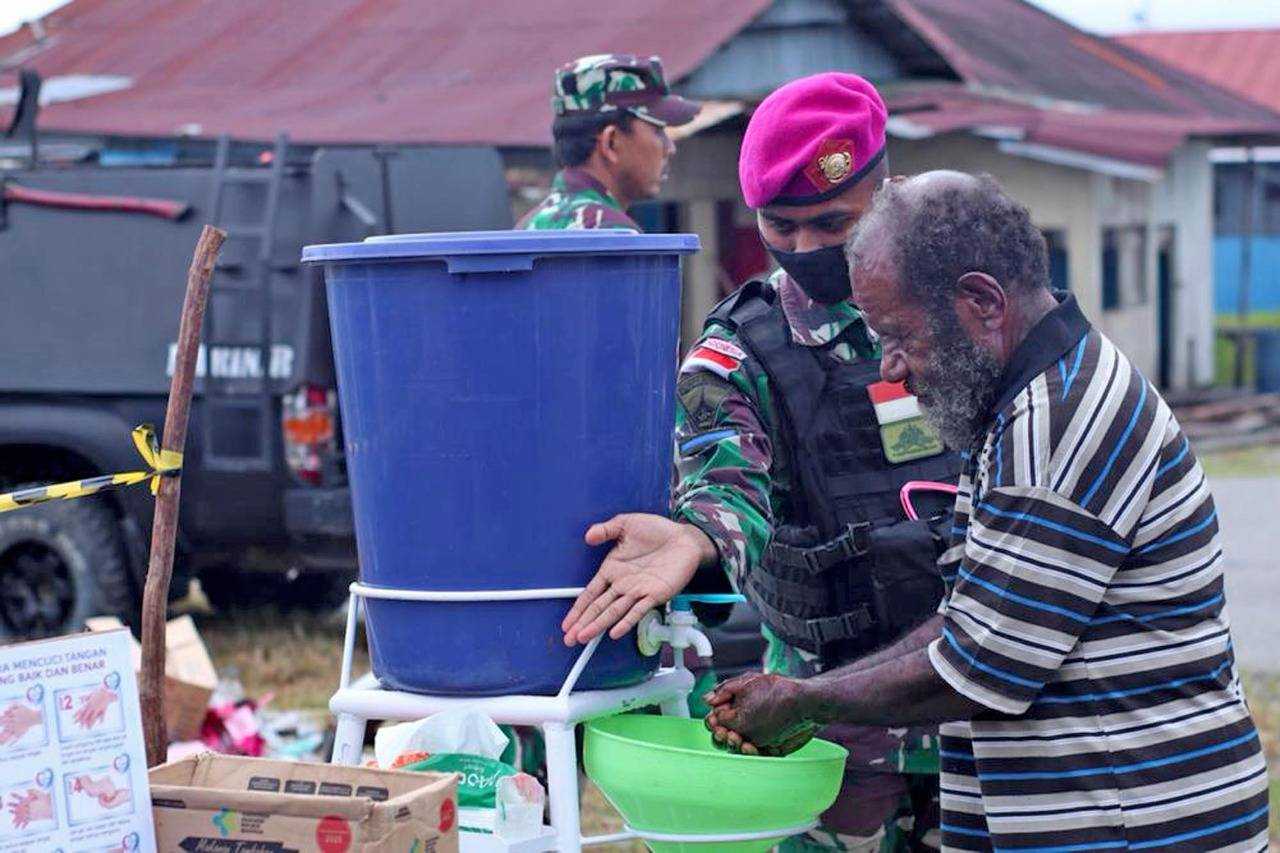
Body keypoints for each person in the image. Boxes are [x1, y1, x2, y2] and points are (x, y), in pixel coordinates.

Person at [704, 171, 1270, 851]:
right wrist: (812, 692)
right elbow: (967, 618)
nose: (889, 369)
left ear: (982, 302)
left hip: (1134, 821)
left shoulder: (1055, 421)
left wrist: (807, 700)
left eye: (900, 336)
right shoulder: (1023, 402)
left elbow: (979, 665)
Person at [562, 73, 961, 851]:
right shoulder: (738, 354)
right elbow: (723, 474)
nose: (806, 249)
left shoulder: (964, 314)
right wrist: (698, 535)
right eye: (781, 226)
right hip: (832, 735)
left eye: (831, 223)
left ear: (887, 193)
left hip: (976, 716)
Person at [518, 54, 699, 231]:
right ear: (611, 142)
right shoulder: (612, 232)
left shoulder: (529, 226)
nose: (670, 148)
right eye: (658, 131)